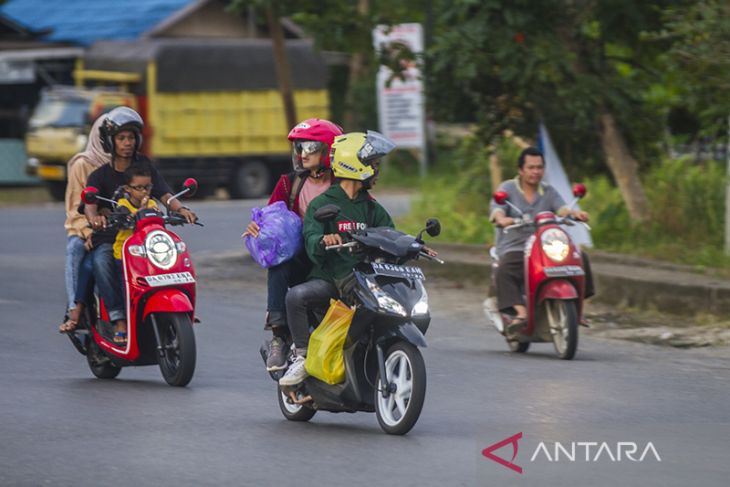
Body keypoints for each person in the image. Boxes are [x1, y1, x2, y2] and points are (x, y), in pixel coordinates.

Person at [279, 130, 397, 387]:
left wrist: (414, 246)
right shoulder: (323, 204)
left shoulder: (371, 207)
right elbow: (311, 239)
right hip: (331, 280)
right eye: (373, 165)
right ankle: (301, 355)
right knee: (295, 297)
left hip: (365, 281)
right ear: (355, 165)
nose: (377, 171)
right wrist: (323, 240)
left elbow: (391, 234)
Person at [84, 107, 196, 348]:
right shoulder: (99, 175)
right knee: (101, 262)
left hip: (145, 237)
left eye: (131, 137)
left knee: (171, 256)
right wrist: (95, 218)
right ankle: (118, 319)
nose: (127, 143)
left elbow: (164, 192)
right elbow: (89, 204)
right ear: (110, 141)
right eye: (121, 138)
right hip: (112, 239)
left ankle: (171, 310)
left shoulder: (144, 166)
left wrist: (180, 209)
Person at [242, 118, 342, 371]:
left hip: (336, 260)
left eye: (308, 147)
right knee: (278, 263)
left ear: (328, 151)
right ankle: (278, 335)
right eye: (298, 147)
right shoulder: (290, 183)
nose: (301, 154)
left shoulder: (345, 184)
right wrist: (257, 228)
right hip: (303, 258)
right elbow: (269, 219)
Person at [489, 146, 592, 329]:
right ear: (521, 170)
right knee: (504, 270)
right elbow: (497, 210)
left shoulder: (548, 191)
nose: (536, 172)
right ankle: (521, 313)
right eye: (531, 167)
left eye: (539, 167)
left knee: (580, 258)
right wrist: (502, 219)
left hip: (545, 245)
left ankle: (577, 309)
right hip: (517, 246)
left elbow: (562, 209)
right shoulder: (507, 189)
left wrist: (575, 214)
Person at [59, 115, 111, 333]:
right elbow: (75, 208)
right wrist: (89, 231)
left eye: (128, 137)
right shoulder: (83, 164)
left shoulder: (130, 164)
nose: (123, 142)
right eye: (114, 137)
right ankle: (74, 311)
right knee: (76, 248)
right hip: (88, 229)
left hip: (122, 228)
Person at [109, 162, 160, 343]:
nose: (144, 192)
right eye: (139, 188)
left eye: (147, 187)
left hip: (148, 255)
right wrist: (141, 210)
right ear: (127, 189)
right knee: (127, 290)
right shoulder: (122, 205)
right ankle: (123, 322)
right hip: (125, 256)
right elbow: (124, 219)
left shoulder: (152, 203)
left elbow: (158, 219)